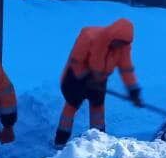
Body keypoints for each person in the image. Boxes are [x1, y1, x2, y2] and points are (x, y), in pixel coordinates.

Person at [55, 18, 142, 147]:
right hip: (76, 77)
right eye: (119, 42)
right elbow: (76, 61)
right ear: (113, 35)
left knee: (98, 109)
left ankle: (98, 143)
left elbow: (126, 69)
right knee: (71, 106)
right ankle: (60, 141)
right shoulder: (89, 36)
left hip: (99, 80)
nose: (120, 46)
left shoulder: (123, 48)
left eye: (123, 44)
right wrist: (86, 78)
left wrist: (133, 90)